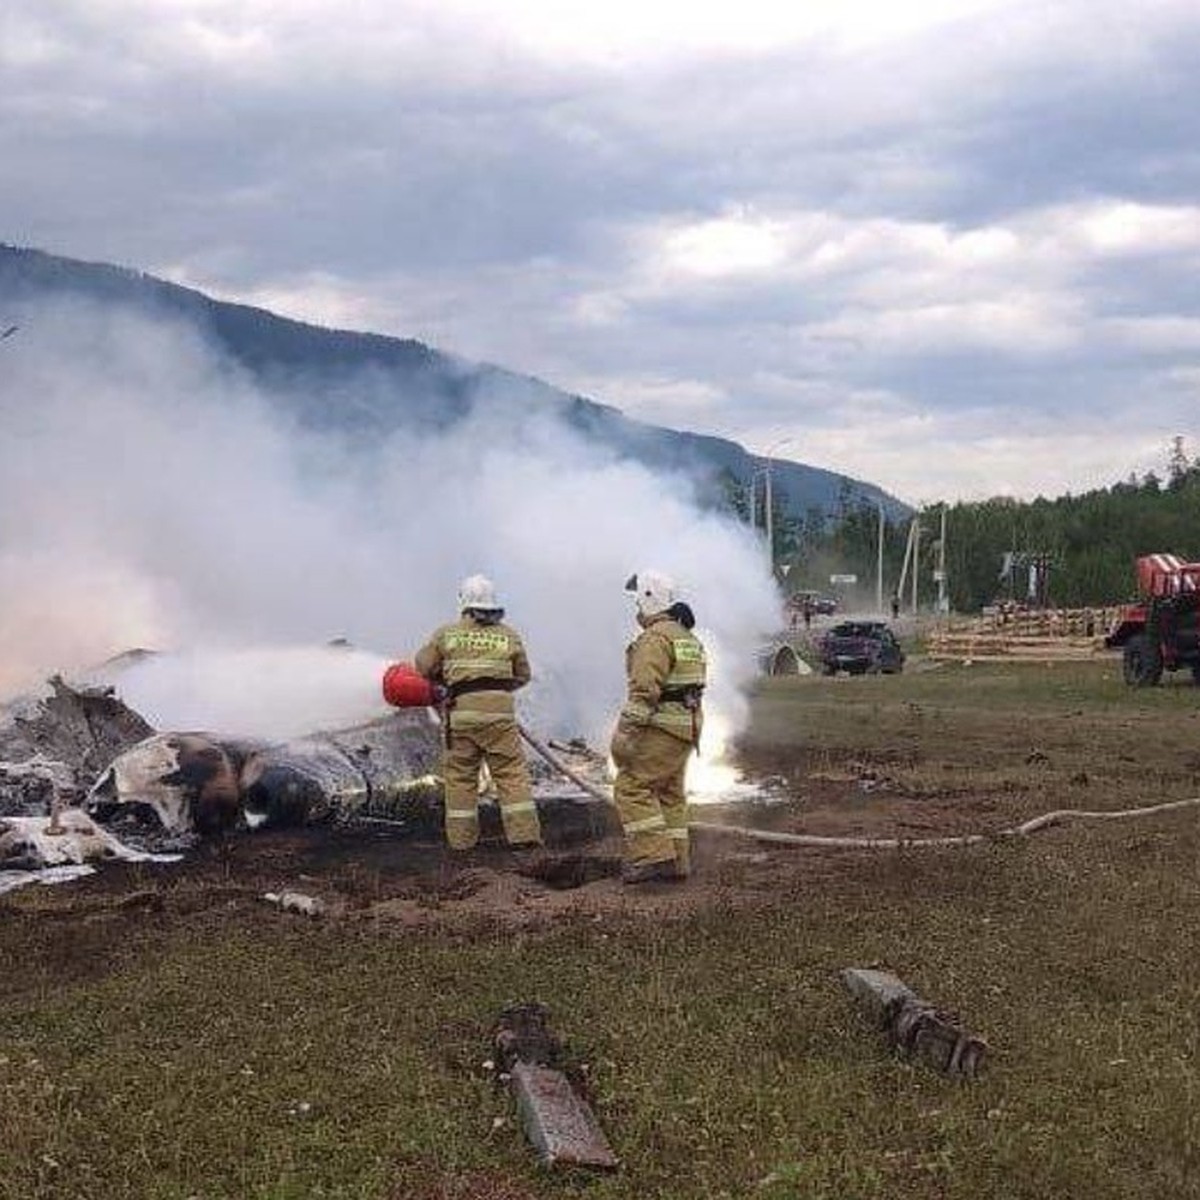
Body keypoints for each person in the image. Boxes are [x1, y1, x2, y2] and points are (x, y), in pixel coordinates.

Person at [414, 575, 542, 851]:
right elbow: (524, 675)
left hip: (462, 714)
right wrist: (496, 692)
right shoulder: (509, 635)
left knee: (461, 777)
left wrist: (448, 679)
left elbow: (422, 667)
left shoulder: (447, 634)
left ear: (463, 604)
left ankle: (462, 844)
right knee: (510, 774)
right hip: (501, 717)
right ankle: (525, 839)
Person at [610, 569, 707, 884]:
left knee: (631, 786)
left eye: (637, 602)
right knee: (669, 793)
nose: (636, 610)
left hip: (663, 726)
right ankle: (678, 861)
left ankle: (653, 857)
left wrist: (625, 734)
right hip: (686, 727)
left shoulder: (655, 639)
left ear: (649, 599)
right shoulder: (686, 637)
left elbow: (644, 692)